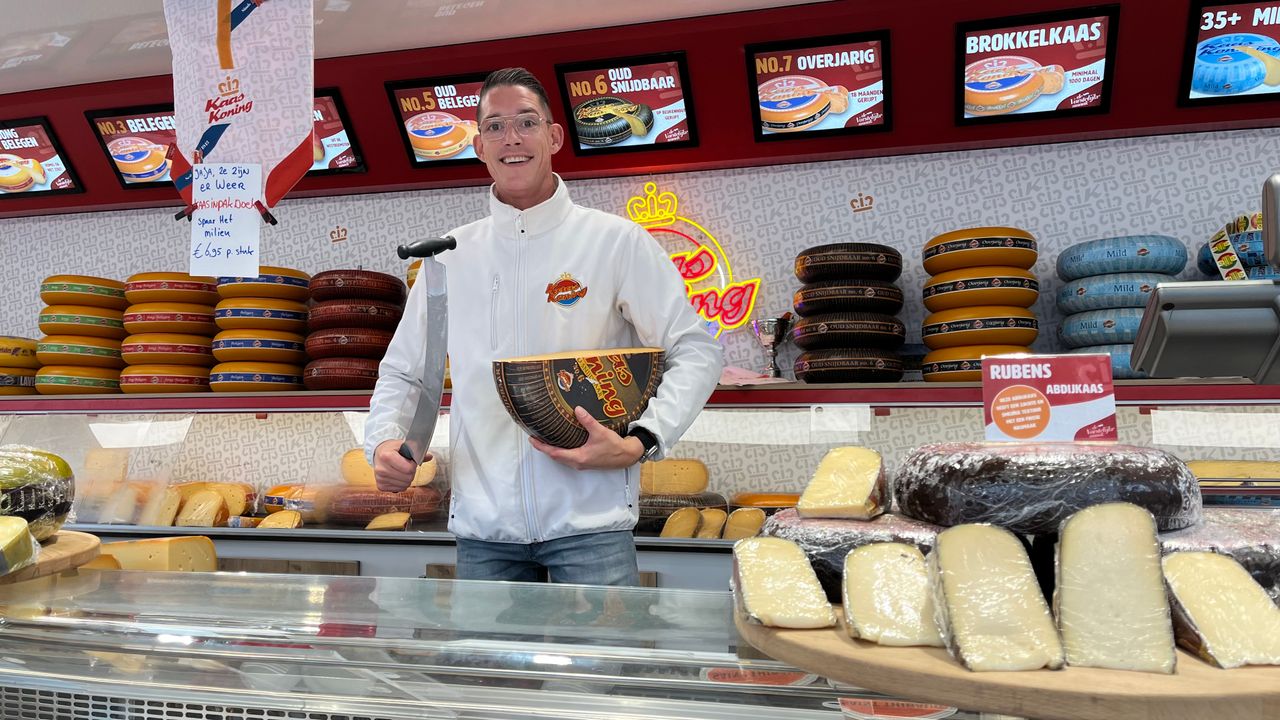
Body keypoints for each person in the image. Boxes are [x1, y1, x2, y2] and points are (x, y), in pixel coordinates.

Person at [365, 67, 724, 586]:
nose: (511, 138)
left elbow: (694, 350)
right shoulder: (450, 257)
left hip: (592, 525)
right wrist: (383, 442)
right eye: (494, 126)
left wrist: (643, 439)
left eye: (526, 122)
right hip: (484, 532)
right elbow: (404, 372)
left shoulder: (616, 242)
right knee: (487, 650)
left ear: (554, 136)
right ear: (479, 146)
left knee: (604, 647)